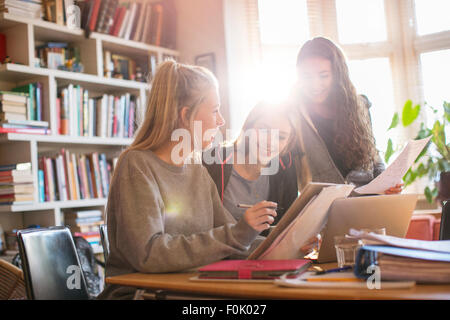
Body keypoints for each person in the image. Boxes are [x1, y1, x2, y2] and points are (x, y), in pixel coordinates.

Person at [98, 61, 277, 300]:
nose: (221, 121)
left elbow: (233, 240)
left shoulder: (196, 168)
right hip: (139, 294)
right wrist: (236, 235)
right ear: (185, 116)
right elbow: (149, 254)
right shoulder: (137, 165)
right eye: (215, 110)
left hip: (187, 288)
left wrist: (288, 244)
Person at [290, 37, 402, 194]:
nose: (315, 84)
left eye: (323, 76)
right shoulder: (293, 113)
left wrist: (387, 182)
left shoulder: (359, 106)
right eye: (307, 76)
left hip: (365, 203)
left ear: (337, 75)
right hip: (323, 207)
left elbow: (373, 158)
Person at [202, 101, 306, 228]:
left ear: (288, 142)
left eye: (280, 137)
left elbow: (288, 226)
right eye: (264, 130)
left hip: (265, 247)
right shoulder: (212, 161)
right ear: (249, 127)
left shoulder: (285, 168)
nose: (269, 142)